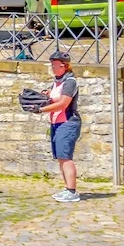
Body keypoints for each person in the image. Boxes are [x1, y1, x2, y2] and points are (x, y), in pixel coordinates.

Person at [35, 50, 82, 203]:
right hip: (56, 122)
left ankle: (72, 191)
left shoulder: (70, 82)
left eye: (56, 65)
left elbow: (63, 103)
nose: (54, 68)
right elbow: (55, 97)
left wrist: (40, 109)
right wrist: (46, 95)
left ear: (65, 66)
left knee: (65, 157)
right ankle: (67, 188)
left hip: (68, 122)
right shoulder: (57, 82)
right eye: (52, 65)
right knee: (60, 158)